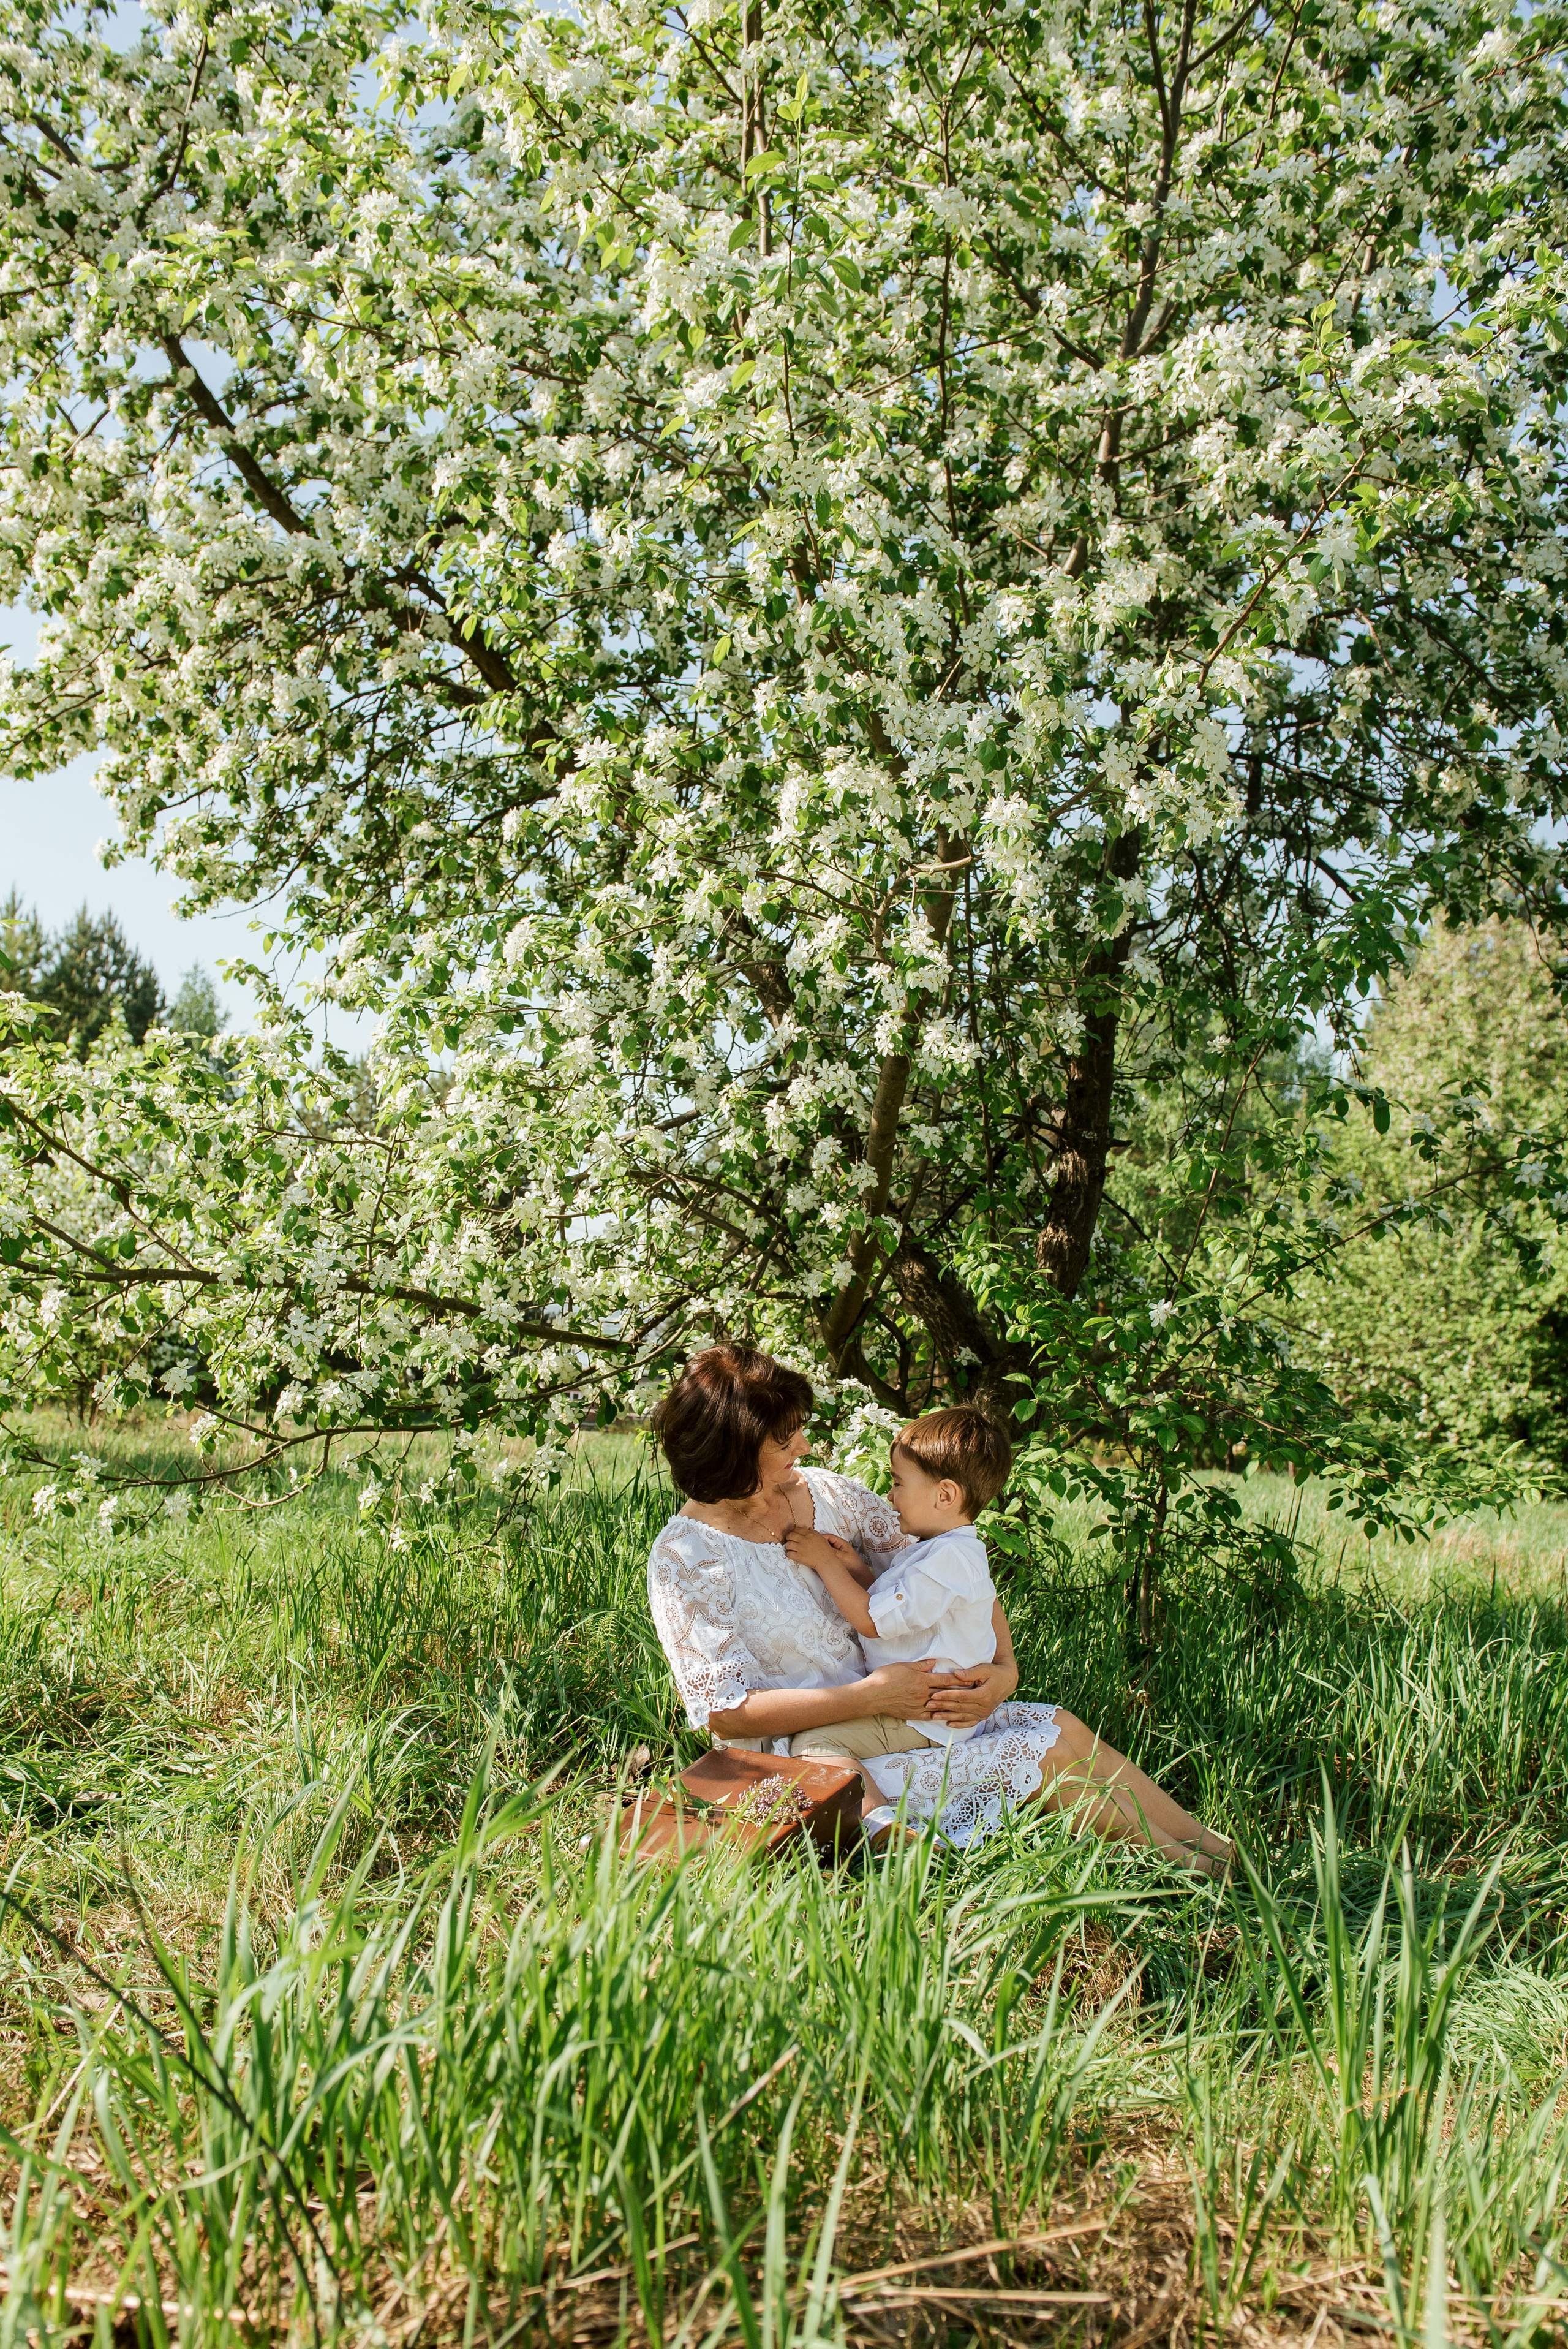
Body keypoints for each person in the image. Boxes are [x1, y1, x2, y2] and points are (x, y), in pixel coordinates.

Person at [644, 1343, 1232, 1869]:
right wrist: (871, 1696)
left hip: (912, 1715)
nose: (804, 1444)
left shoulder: (827, 1494)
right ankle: (1202, 1881)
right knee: (1049, 1759)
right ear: (735, 1449)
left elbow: (955, 1570)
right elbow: (727, 1712)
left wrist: (1004, 1672)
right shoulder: (687, 1558)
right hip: (817, 1757)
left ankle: (1224, 1855)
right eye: (783, 1438)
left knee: (1060, 1727)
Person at [781, 1404, 1008, 1751]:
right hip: (924, 1711)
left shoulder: (948, 1559)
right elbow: (899, 1608)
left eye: (899, 1483)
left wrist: (826, 1563)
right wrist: (855, 1568)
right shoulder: (943, 1550)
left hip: (926, 1719)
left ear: (945, 1495)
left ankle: (877, 1809)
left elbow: (874, 1621)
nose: (889, 1495)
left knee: (814, 1743)